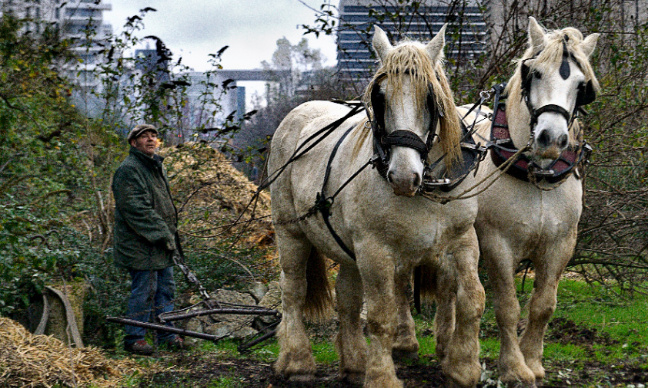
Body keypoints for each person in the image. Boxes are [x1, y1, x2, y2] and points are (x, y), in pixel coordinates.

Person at [112, 124, 185, 355]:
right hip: (139, 245)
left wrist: (168, 234)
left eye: (154, 136)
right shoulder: (129, 169)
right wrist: (163, 234)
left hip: (160, 243)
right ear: (134, 143)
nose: (151, 140)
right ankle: (134, 338)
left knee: (166, 289)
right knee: (144, 291)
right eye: (144, 137)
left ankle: (167, 335)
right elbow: (135, 209)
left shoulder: (156, 166)